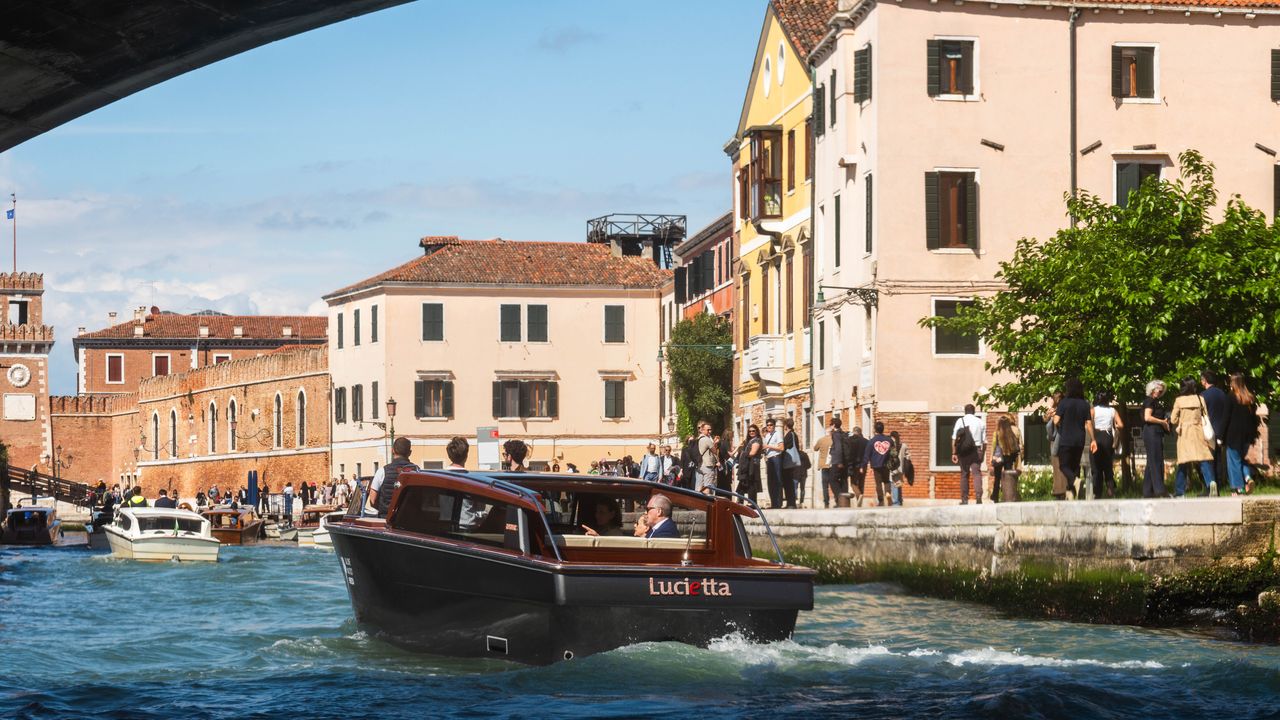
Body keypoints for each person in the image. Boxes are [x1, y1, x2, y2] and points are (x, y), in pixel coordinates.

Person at [1170, 377, 1215, 497]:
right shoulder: (1200, 399)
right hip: (1198, 431)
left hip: (1185, 433)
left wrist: (1182, 420)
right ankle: (1211, 486)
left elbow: (1173, 419)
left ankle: (1180, 492)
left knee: (1183, 462)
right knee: (1204, 460)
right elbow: (1206, 415)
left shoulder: (1179, 400)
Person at [1224, 372, 1260, 497]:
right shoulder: (1249, 398)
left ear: (1233, 383)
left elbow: (1226, 418)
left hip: (1233, 436)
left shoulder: (1231, 397)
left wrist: (1220, 435)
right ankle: (1248, 477)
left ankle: (1238, 488)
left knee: (1233, 461)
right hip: (1247, 436)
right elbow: (1254, 419)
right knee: (1239, 460)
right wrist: (1253, 436)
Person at [368, 437, 421, 517]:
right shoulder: (417, 471)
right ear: (410, 453)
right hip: (409, 519)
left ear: (393, 450)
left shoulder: (382, 471)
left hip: (386, 518)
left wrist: (384, 509)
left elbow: (373, 499)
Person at [1140, 379, 1171, 497]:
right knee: (1156, 460)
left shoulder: (1155, 401)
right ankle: (1160, 490)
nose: (1161, 390)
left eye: (1162, 389)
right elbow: (1147, 417)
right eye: (1159, 388)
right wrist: (1162, 422)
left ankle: (1147, 492)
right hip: (1151, 432)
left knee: (1152, 461)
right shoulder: (1149, 401)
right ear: (1153, 389)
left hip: (1156, 432)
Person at [1088, 393, 1122, 499]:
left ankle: (1097, 493)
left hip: (1096, 436)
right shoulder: (1112, 410)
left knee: (1096, 466)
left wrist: (1093, 438)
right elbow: (1121, 425)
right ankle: (1111, 490)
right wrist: (1115, 426)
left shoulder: (1093, 410)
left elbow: (1088, 423)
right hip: (1108, 437)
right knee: (1107, 466)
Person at [952, 404, 987, 505]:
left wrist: (954, 453)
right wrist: (983, 453)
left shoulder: (960, 421)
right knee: (976, 474)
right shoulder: (980, 422)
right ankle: (978, 497)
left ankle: (964, 499)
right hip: (976, 450)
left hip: (964, 451)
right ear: (974, 412)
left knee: (964, 474)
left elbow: (954, 438)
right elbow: (985, 442)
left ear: (965, 412)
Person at [1201, 370, 1229, 492]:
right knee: (1218, 459)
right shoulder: (1223, 394)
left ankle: (1210, 487)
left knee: (1207, 460)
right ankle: (1219, 485)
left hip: (1208, 432)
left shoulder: (1203, 396)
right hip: (1220, 431)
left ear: (1204, 381)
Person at [815, 417, 847, 509]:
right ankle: (842, 501)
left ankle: (834, 500)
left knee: (830, 482)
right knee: (841, 481)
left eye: (830, 424)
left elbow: (838, 448)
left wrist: (839, 461)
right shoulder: (843, 434)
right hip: (843, 462)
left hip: (833, 462)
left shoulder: (835, 435)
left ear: (833, 425)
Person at [989, 415, 1022, 503]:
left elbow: (993, 446)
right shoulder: (1011, 432)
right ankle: (1008, 496)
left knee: (997, 478)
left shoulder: (996, 433)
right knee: (1008, 478)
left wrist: (991, 458)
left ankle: (995, 496)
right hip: (1009, 457)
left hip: (999, 457)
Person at [862, 422, 892, 506]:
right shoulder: (889, 440)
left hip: (876, 465)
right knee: (886, 481)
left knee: (878, 483)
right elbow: (893, 452)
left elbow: (867, 455)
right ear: (883, 429)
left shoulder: (872, 441)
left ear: (875, 429)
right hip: (886, 465)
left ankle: (881, 500)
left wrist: (863, 466)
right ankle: (888, 492)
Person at [736, 424, 763, 503]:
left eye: (753, 431)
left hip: (752, 465)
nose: (751, 432)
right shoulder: (748, 441)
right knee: (743, 482)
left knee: (751, 483)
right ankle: (740, 502)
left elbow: (752, 453)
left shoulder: (757, 440)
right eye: (750, 431)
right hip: (746, 464)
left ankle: (752, 503)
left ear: (757, 431)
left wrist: (743, 453)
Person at [762, 418, 784, 508]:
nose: (769, 426)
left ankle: (778, 503)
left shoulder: (778, 434)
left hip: (776, 458)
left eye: (771, 425)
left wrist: (768, 446)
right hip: (769, 459)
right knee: (770, 482)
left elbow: (781, 448)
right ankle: (773, 503)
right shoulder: (767, 436)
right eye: (768, 425)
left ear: (774, 426)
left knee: (777, 481)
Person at [780, 418, 802, 508]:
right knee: (789, 483)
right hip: (791, 463)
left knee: (788, 483)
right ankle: (790, 503)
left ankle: (791, 503)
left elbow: (785, 447)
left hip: (788, 463)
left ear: (785, 425)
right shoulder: (794, 434)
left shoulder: (790, 435)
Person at [846, 427, 868, 506]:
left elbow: (847, 453)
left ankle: (858, 495)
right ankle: (860, 497)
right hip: (863, 465)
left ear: (853, 431)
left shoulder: (849, 440)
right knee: (861, 482)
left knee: (853, 483)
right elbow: (867, 454)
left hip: (853, 465)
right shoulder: (866, 441)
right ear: (860, 432)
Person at [888, 431, 910, 506]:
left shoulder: (890, 446)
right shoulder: (904, 445)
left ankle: (896, 503)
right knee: (899, 484)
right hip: (901, 469)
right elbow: (908, 456)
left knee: (894, 485)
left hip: (893, 470)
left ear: (891, 437)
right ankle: (900, 501)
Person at [696, 421, 718, 495]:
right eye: (708, 430)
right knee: (707, 487)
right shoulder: (707, 439)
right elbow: (715, 451)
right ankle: (706, 504)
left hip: (700, 465)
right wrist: (715, 443)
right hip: (707, 465)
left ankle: (697, 504)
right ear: (702, 430)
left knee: (699, 487)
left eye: (710, 429)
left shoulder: (698, 439)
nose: (710, 431)